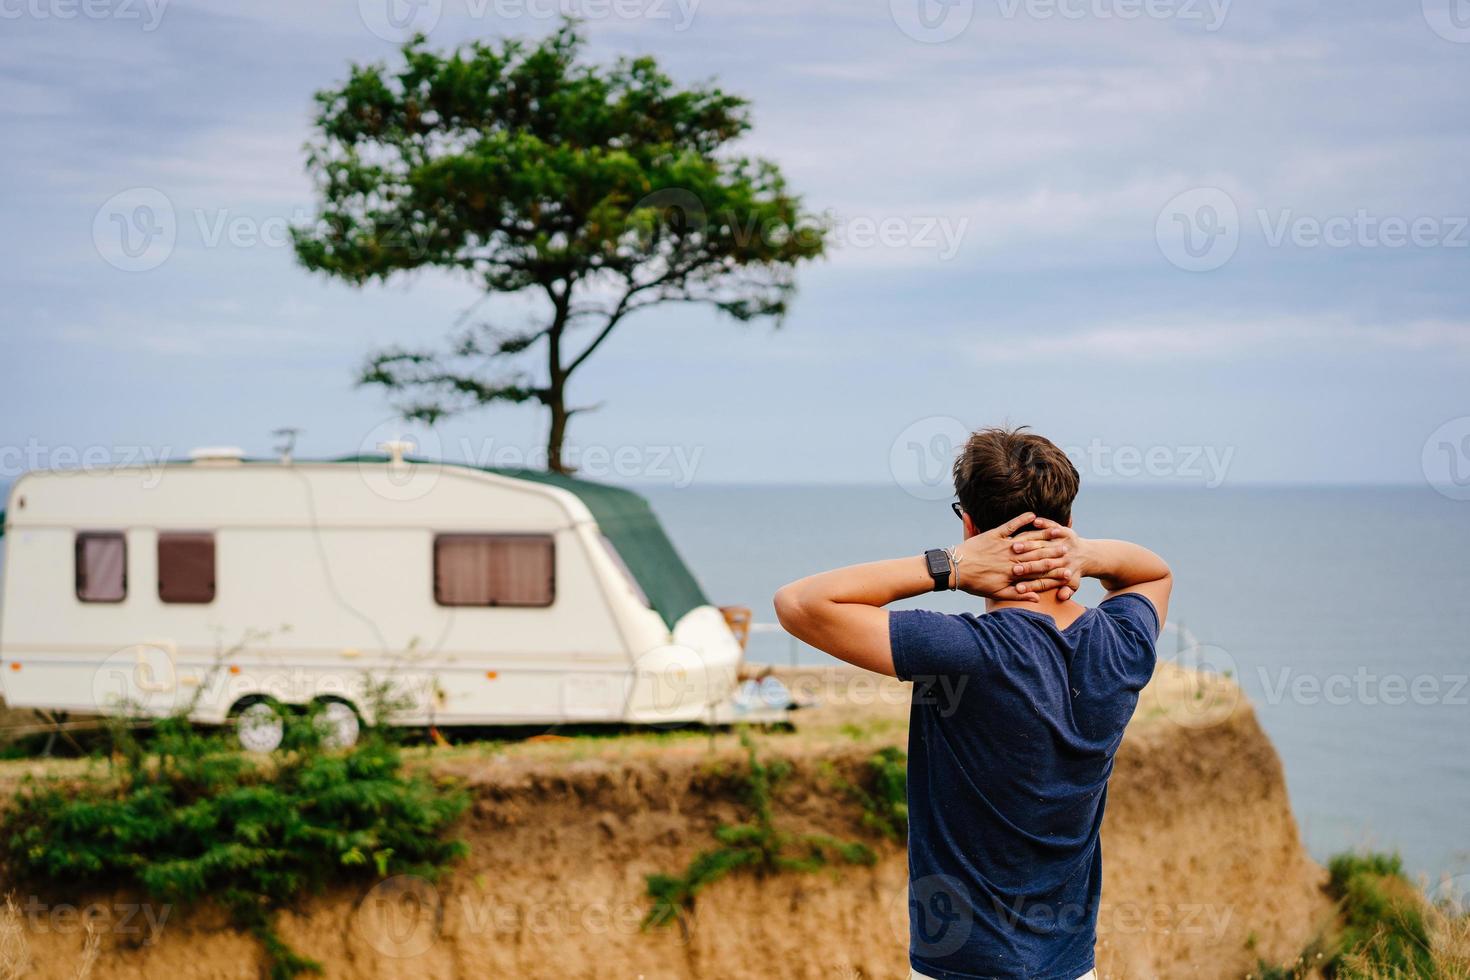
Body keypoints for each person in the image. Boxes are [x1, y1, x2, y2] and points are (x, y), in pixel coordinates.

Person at [774, 426, 1171, 980]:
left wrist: (950, 566)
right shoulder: (1120, 644)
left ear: (969, 524)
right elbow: (1152, 572)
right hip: (1072, 967)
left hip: (963, 967)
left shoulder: (965, 652)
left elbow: (798, 603)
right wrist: (1085, 554)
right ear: (1070, 523)